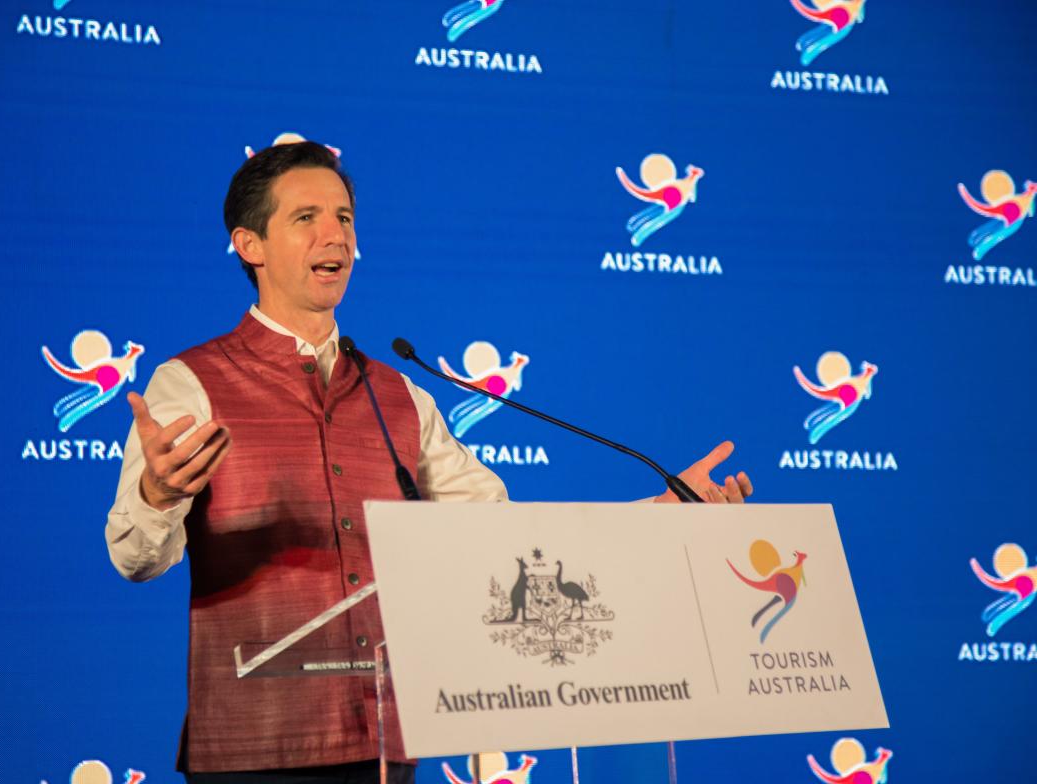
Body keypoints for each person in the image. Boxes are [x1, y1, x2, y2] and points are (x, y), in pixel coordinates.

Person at [105, 141, 753, 783]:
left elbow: (501, 534)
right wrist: (158, 494)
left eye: (345, 218)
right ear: (250, 245)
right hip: (254, 747)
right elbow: (135, 559)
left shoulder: (400, 395)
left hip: (387, 743)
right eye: (307, 219)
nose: (335, 236)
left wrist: (662, 513)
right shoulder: (191, 382)